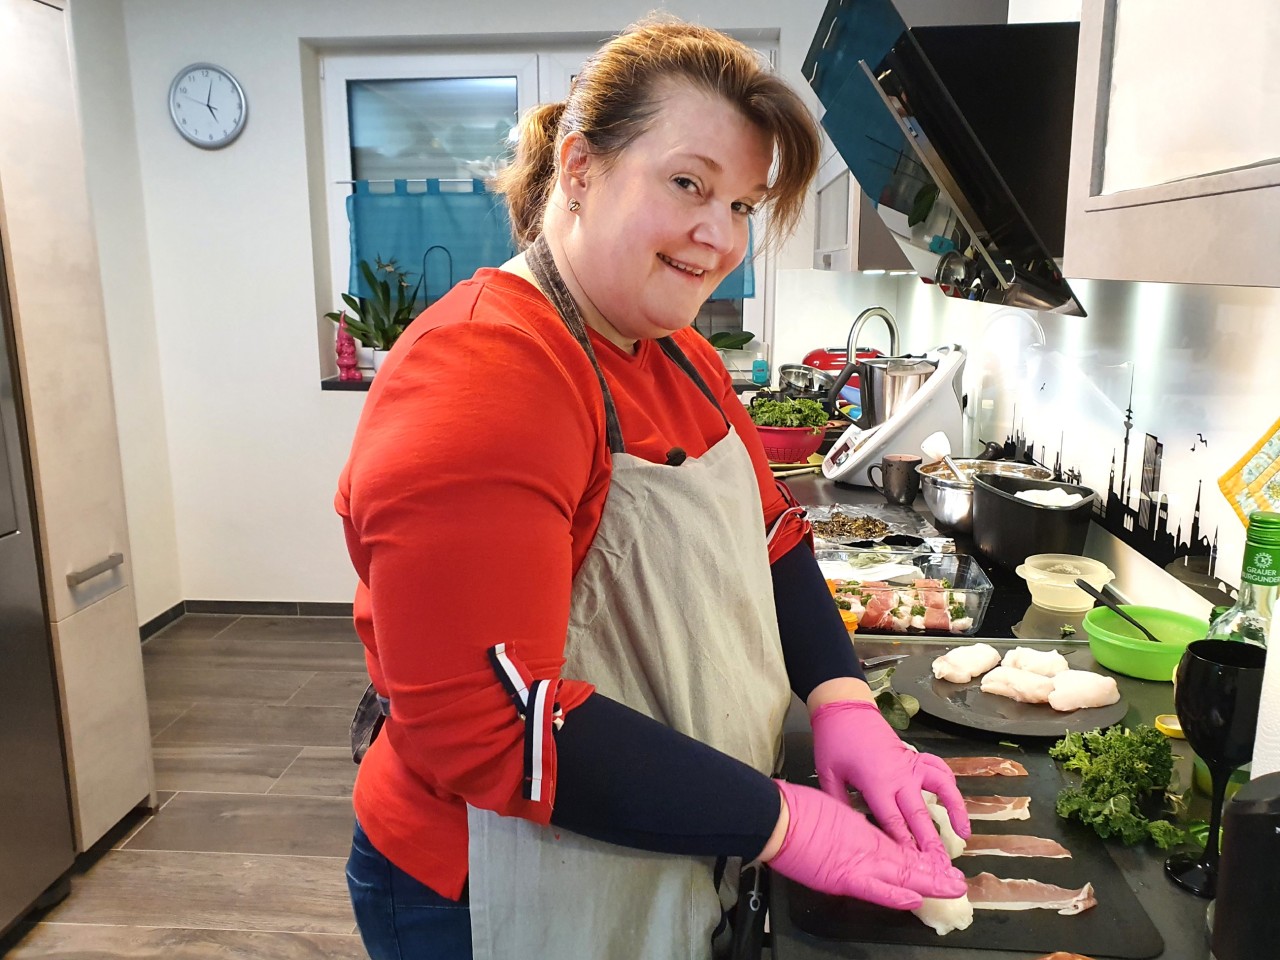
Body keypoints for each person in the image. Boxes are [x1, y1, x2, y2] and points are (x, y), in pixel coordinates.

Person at [336, 17, 970, 960]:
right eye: (689, 185)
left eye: (745, 205)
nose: (720, 238)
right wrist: (788, 824)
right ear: (580, 166)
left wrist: (841, 699)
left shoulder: (676, 351)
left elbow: (773, 537)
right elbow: (489, 726)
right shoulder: (486, 373)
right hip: (484, 888)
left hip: (658, 838)